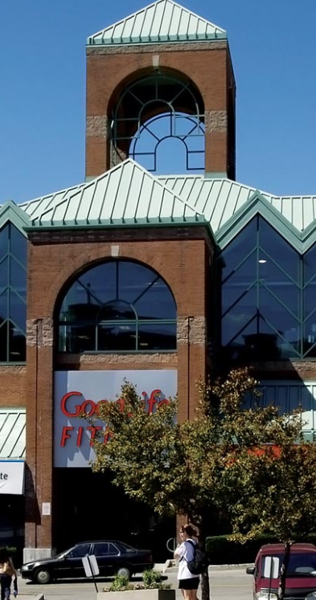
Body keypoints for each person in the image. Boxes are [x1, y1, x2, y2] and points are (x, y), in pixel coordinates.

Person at [174, 523, 200, 600]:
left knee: (187, 597)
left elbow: (176, 555)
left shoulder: (184, 545)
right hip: (195, 574)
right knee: (194, 597)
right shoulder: (194, 543)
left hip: (185, 574)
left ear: (185, 533)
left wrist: (178, 547)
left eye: (181, 532)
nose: (180, 534)